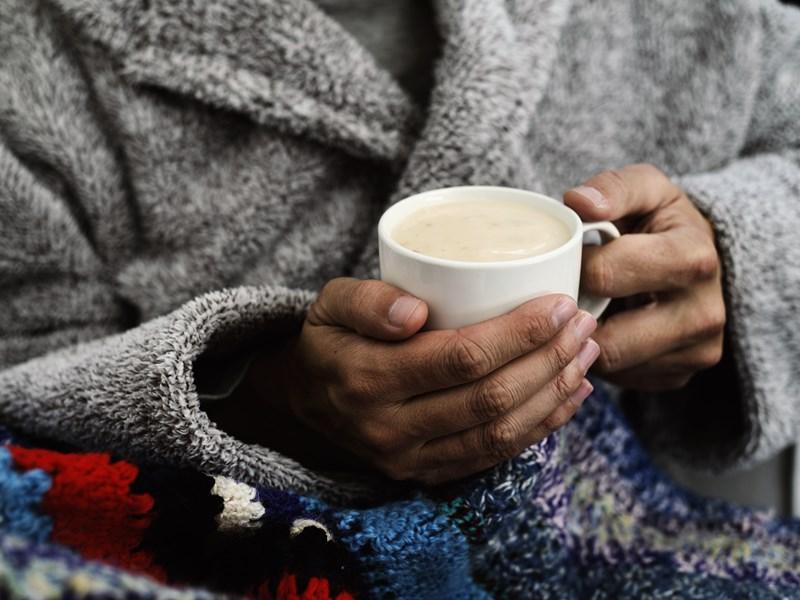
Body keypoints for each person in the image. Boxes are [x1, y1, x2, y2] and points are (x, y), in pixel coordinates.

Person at [0, 0, 798, 596]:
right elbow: (25, 389)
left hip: (647, 525)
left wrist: (737, 250)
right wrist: (265, 399)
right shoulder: (33, 57)